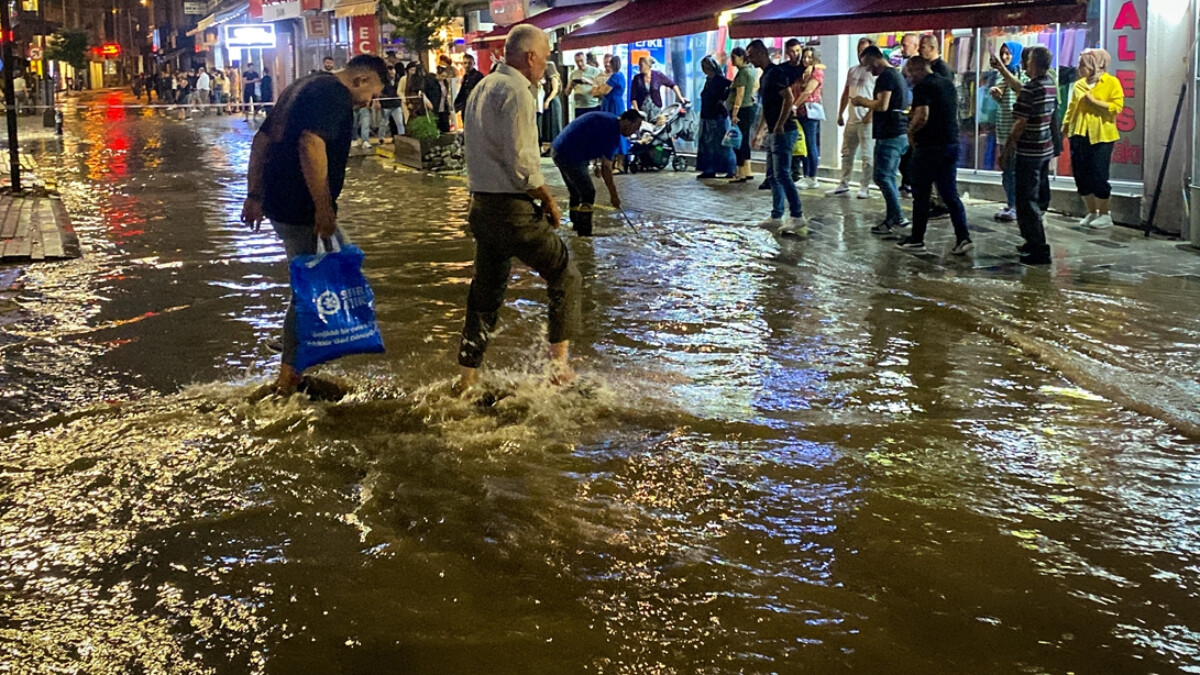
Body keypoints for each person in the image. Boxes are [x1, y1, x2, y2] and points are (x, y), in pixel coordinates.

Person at [240, 54, 388, 397]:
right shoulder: (334, 95)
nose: (369, 102)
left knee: (333, 274)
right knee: (312, 288)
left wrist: (255, 195)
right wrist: (322, 208)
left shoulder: (302, 84)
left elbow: (262, 140)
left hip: (280, 204)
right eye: (373, 93)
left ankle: (293, 351)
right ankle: (289, 373)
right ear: (361, 80)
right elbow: (310, 144)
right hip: (302, 208)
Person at [456, 24, 582, 394]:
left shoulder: (482, 87)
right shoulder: (518, 92)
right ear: (529, 57)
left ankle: (467, 379)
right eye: (544, 59)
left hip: (481, 207)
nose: (546, 66)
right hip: (512, 210)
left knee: (484, 295)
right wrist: (548, 198)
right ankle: (558, 369)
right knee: (566, 273)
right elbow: (524, 164)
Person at [895, 56, 973, 255]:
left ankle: (917, 239)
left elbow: (923, 115)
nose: (910, 79)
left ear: (918, 70)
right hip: (950, 143)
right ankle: (963, 237)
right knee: (950, 194)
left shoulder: (923, 87)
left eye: (910, 74)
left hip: (929, 146)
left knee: (921, 194)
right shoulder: (947, 84)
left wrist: (910, 131)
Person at [1001, 45, 1057, 265]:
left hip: (1030, 151)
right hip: (1044, 149)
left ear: (1033, 63)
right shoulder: (1049, 84)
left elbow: (1020, 122)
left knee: (1026, 200)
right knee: (1034, 197)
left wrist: (1007, 148)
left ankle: (1038, 247)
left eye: (1028, 60)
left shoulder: (1032, 88)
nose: (1024, 64)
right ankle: (1032, 242)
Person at [746, 39, 806, 236]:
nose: (750, 60)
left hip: (784, 130)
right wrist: (761, 130)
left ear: (762, 53)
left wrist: (780, 123)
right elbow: (766, 106)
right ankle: (777, 214)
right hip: (774, 130)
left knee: (783, 173)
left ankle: (797, 215)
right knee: (773, 175)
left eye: (752, 55)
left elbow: (788, 98)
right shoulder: (765, 76)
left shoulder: (776, 73)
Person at [552, 110, 643, 236]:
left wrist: (595, 163)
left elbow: (591, 137)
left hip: (558, 148)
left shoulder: (608, 119)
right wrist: (614, 195)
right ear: (627, 121)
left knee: (576, 191)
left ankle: (576, 225)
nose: (634, 132)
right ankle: (584, 233)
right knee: (588, 192)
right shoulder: (612, 132)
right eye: (635, 128)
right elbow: (607, 168)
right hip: (570, 154)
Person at [1063, 48, 1123, 229]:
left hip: (1102, 135)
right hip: (1078, 132)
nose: (1079, 68)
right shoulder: (1079, 84)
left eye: (1083, 64)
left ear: (1095, 65)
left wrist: (1094, 102)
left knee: (1099, 174)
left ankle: (1105, 214)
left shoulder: (1111, 82)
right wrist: (1065, 126)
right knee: (1081, 174)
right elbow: (1071, 107)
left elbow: (1117, 106)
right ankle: (1091, 211)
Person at [853, 45, 910, 235]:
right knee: (887, 176)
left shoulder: (887, 76)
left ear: (874, 58)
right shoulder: (896, 75)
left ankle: (897, 218)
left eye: (868, 64)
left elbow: (882, 105)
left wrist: (862, 101)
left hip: (891, 134)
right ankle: (895, 216)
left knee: (883, 176)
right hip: (895, 133)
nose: (868, 70)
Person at [828, 37, 876, 198]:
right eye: (858, 51)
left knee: (867, 155)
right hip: (852, 117)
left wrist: (871, 113)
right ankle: (843, 183)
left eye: (863, 51)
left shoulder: (875, 72)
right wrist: (841, 113)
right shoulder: (853, 70)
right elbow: (846, 92)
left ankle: (865, 186)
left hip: (866, 119)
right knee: (847, 152)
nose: (860, 55)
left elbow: (879, 96)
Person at [988, 41, 1026, 221]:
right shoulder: (1001, 77)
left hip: (1016, 129)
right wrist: (997, 96)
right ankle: (1012, 203)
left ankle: (1017, 206)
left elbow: (1021, 94)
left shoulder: (1022, 75)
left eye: (1008, 54)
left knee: (1014, 170)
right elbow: (1004, 102)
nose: (1004, 57)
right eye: (1002, 54)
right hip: (1003, 127)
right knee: (1007, 169)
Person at [695, 55, 736, 180]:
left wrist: (723, 99)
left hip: (717, 116)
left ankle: (729, 168)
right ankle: (710, 169)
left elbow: (732, 87)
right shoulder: (709, 80)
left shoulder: (719, 79)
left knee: (722, 143)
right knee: (708, 144)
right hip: (707, 115)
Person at [794, 46, 826, 189]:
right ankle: (806, 175)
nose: (806, 60)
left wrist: (794, 105)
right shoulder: (802, 72)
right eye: (804, 57)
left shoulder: (817, 73)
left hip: (809, 111)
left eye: (809, 57)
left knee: (810, 143)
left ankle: (812, 176)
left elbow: (808, 91)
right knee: (804, 145)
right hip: (801, 111)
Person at [726, 47, 759, 184]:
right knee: (744, 140)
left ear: (741, 57)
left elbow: (739, 94)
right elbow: (756, 85)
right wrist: (750, 95)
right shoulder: (750, 71)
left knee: (738, 141)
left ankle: (740, 172)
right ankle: (747, 170)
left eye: (734, 57)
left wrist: (735, 113)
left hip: (742, 110)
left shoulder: (742, 73)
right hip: (748, 108)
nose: (732, 60)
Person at [595, 54, 628, 170]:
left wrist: (598, 87)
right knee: (616, 132)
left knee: (614, 132)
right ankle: (616, 163)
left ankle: (619, 164)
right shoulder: (621, 76)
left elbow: (601, 91)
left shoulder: (615, 77)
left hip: (612, 107)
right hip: (615, 105)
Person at [567, 52, 602, 119]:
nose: (579, 64)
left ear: (585, 59)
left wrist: (588, 82)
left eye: (581, 61)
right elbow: (567, 92)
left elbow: (601, 88)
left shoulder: (595, 71)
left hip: (592, 106)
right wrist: (571, 86)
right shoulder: (573, 74)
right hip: (579, 107)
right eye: (577, 61)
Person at [540, 65, 563, 154]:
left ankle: (557, 148)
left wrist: (548, 101)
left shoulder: (554, 77)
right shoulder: (546, 78)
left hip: (553, 101)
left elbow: (555, 90)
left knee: (554, 125)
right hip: (548, 101)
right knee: (548, 126)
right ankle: (551, 148)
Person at [379, 64, 405, 140]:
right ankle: (381, 138)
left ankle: (402, 138)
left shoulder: (398, 80)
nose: (392, 74)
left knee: (400, 123)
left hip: (396, 105)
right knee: (384, 123)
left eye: (393, 72)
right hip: (386, 105)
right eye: (390, 72)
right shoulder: (383, 81)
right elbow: (380, 92)